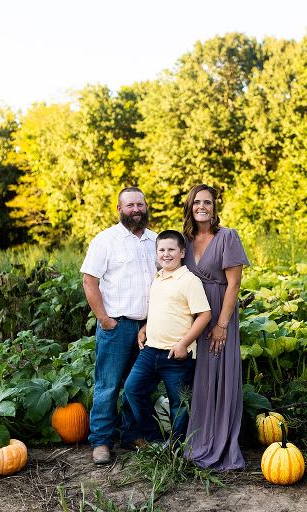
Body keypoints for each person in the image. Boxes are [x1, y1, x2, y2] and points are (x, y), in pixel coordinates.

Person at [80, 186, 157, 464]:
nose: (136, 210)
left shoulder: (155, 241)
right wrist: (104, 319)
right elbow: (90, 281)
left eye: (140, 204)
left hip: (148, 328)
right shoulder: (106, 240)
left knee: (139, 385)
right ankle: (101, 441)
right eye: (130, 205)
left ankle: (132, 434)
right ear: (119, 209)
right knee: (108, 385)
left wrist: (153, 323)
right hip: (117, 325)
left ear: (146, 206)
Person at [182, 184, 249, 470]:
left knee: (218, 376)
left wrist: (222, 324)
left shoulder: (227, 237)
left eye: (207, 203)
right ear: (189, 206)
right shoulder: (183, 241)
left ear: (214, 207)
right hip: (192, 316)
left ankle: (219, 443)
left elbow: (234, 284)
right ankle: (195, 438)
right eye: (197, 202)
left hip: (219, 315)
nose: (202, 207)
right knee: (196, 377)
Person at [123, 230, 212, 446]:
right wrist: (145, 326)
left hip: (177, 355)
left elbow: (204, 314)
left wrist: (183, 344)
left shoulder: (189, 280)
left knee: (179, 404)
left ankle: (178, 447)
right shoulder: (158, 277)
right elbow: (163, 309)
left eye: (171, 249)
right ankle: (153, 439)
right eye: (161, 250)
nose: (166, 254)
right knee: (132, 389)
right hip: (151, 350)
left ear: (182, 252)